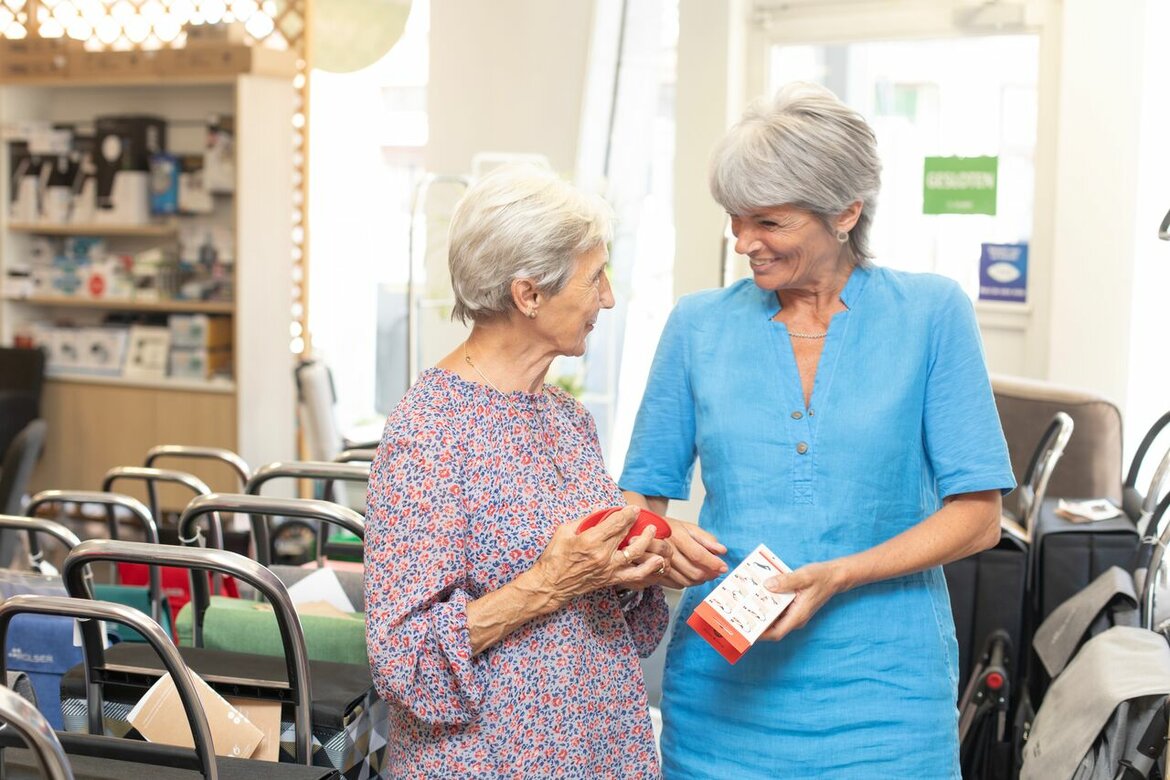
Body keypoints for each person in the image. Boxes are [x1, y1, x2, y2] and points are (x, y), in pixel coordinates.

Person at [619, 82, 1017, 778]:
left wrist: (840, 574)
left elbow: (979, 519)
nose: (745, 242)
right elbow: (638, 502)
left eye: (768, 222)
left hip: (887, 697)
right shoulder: (698, 326)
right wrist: (659, 536)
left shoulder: (929, 314)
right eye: (735, 220)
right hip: (722, 698)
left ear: (846, 212)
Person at [365, 164, 682, 778]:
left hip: (598, 749)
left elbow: (606, 608)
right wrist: (548, 584)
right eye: (595, 279)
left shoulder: (566, 418)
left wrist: (637, 561)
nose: (609, 298)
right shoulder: (428, 432)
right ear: (528, 294)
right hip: (490, 761)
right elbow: (405, 661)